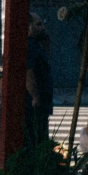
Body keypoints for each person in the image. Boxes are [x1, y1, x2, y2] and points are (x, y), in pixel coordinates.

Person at [25, 14, 55, 149]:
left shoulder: (36, 46)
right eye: (38, 24)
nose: (42, 27)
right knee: (36, 139)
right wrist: (35, 97)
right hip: (35, 105)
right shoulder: (29, 46)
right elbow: (29, 72)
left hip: (42, 102)